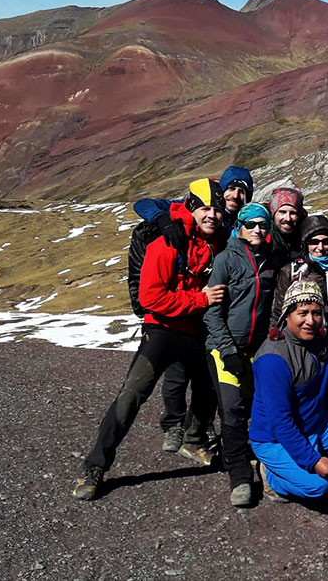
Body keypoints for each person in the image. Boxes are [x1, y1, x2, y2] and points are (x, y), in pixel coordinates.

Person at [72, 179, 227, 500]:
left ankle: (193, 439)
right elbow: (151, 298)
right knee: (131, 395)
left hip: (195, 332)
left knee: (209, 385)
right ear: (191, 207)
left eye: (217, 209)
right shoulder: (167, 242)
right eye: (204, 208)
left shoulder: (218, 243)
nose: (211, 215)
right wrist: (200, 299)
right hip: (163, 330)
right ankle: (95, 467)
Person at [130, 166, 251, 448]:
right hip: (184, 303)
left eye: (242, 190)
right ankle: (173, 424)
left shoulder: (242, 222)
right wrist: (163, 219)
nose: (235, 194)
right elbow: (143, 204)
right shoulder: (199, 209)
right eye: (231, 188)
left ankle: (198, 429)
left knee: (204, 376)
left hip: (211, 306)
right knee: (177, 372)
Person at [250, 280, 328, 506]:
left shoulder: (322, 341)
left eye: (316, 313)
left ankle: (312, 455)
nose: (310, 321)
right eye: (302, 313)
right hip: (275, 438)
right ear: (286, 315)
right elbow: (281, 421)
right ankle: (271, 477)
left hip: (317, 423)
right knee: (321, 485)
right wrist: (314, 461)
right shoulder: (273, 359)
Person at [203, 202, 278, 507]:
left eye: (263, 224)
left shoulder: (272, 259)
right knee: (232, 411)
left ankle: (269, 466)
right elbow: (211, 311)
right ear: (240, 227)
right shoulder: (226, 259)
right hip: (225, 349)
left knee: (259, 410)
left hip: (258, 350)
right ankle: (240, 477)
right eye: (252, 224)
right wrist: (227, 348)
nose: (258, 229)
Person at [269, 215, 328, 333]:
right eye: (314, 242)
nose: (320, 248)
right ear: (306, 244)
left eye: (325, 242)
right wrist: (275, 333)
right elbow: (278, 310)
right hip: (301, 333)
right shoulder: (291, 271)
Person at [268, 187, 306, 266]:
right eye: (282, 212)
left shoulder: (306, 236)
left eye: (293, 213)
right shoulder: (262, 238)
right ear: (273, 213)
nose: (287, 218)